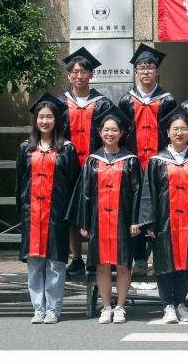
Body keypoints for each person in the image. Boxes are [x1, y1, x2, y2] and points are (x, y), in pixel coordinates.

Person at [67, 106, 142, 325]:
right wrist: (84, 222)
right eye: (106, 130)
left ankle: (120, 307)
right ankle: (106, 306)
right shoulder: (92, 160)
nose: (110, 133)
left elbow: (138, 193)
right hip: (98, 221)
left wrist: (136, 220)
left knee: (123, 264)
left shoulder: (131, 160)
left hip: (123, 220)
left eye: (114, 130)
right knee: (101, 264)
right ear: (100, 132)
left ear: (121, 133)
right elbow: (84, 193)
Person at [135, 107, 188, 324]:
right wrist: (150, 223)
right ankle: (167, 306)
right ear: (167, 132)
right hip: (164, 223)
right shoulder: (157, 161)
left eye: (184, 129)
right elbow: (148, 193)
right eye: (175, 129)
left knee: (185, 263)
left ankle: (181, 304)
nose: (179, 133)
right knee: (164, 263)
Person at [16, 93, 79, 324]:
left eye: (49, 117)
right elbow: (19, 184)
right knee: (34, 261)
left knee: (55, 261)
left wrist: (69, 214)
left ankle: (53, 308)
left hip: (56, 214)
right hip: (31, 213)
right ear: (35, 120)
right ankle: (38, 308)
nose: (44, 121)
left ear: (56, 120)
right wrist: (22, 211)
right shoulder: (26, 148)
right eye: (41, 117)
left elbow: (74, 184)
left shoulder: (67, 149)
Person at [119, 43, 176, 277]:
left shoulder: (167, 100)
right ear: (136, 71)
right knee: (134, 209)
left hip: (159, 163)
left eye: (150, 67)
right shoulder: (126, 100)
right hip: (134, 163)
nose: (146, 71)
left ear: (157, 71)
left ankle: (157, 256)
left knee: (158, 208)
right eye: (141, 67)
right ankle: (139, 258)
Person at [61, 47, 114, 275]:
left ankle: (98, 257)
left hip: (96, 167)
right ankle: (76, 258)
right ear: (68, 75)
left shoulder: (103, 104)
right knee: (72, 212)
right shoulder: (60, 103)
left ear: (91, 74)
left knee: (97, 211)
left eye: (84, 71)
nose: (79, 75)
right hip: (68, 168)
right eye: (75, 71)